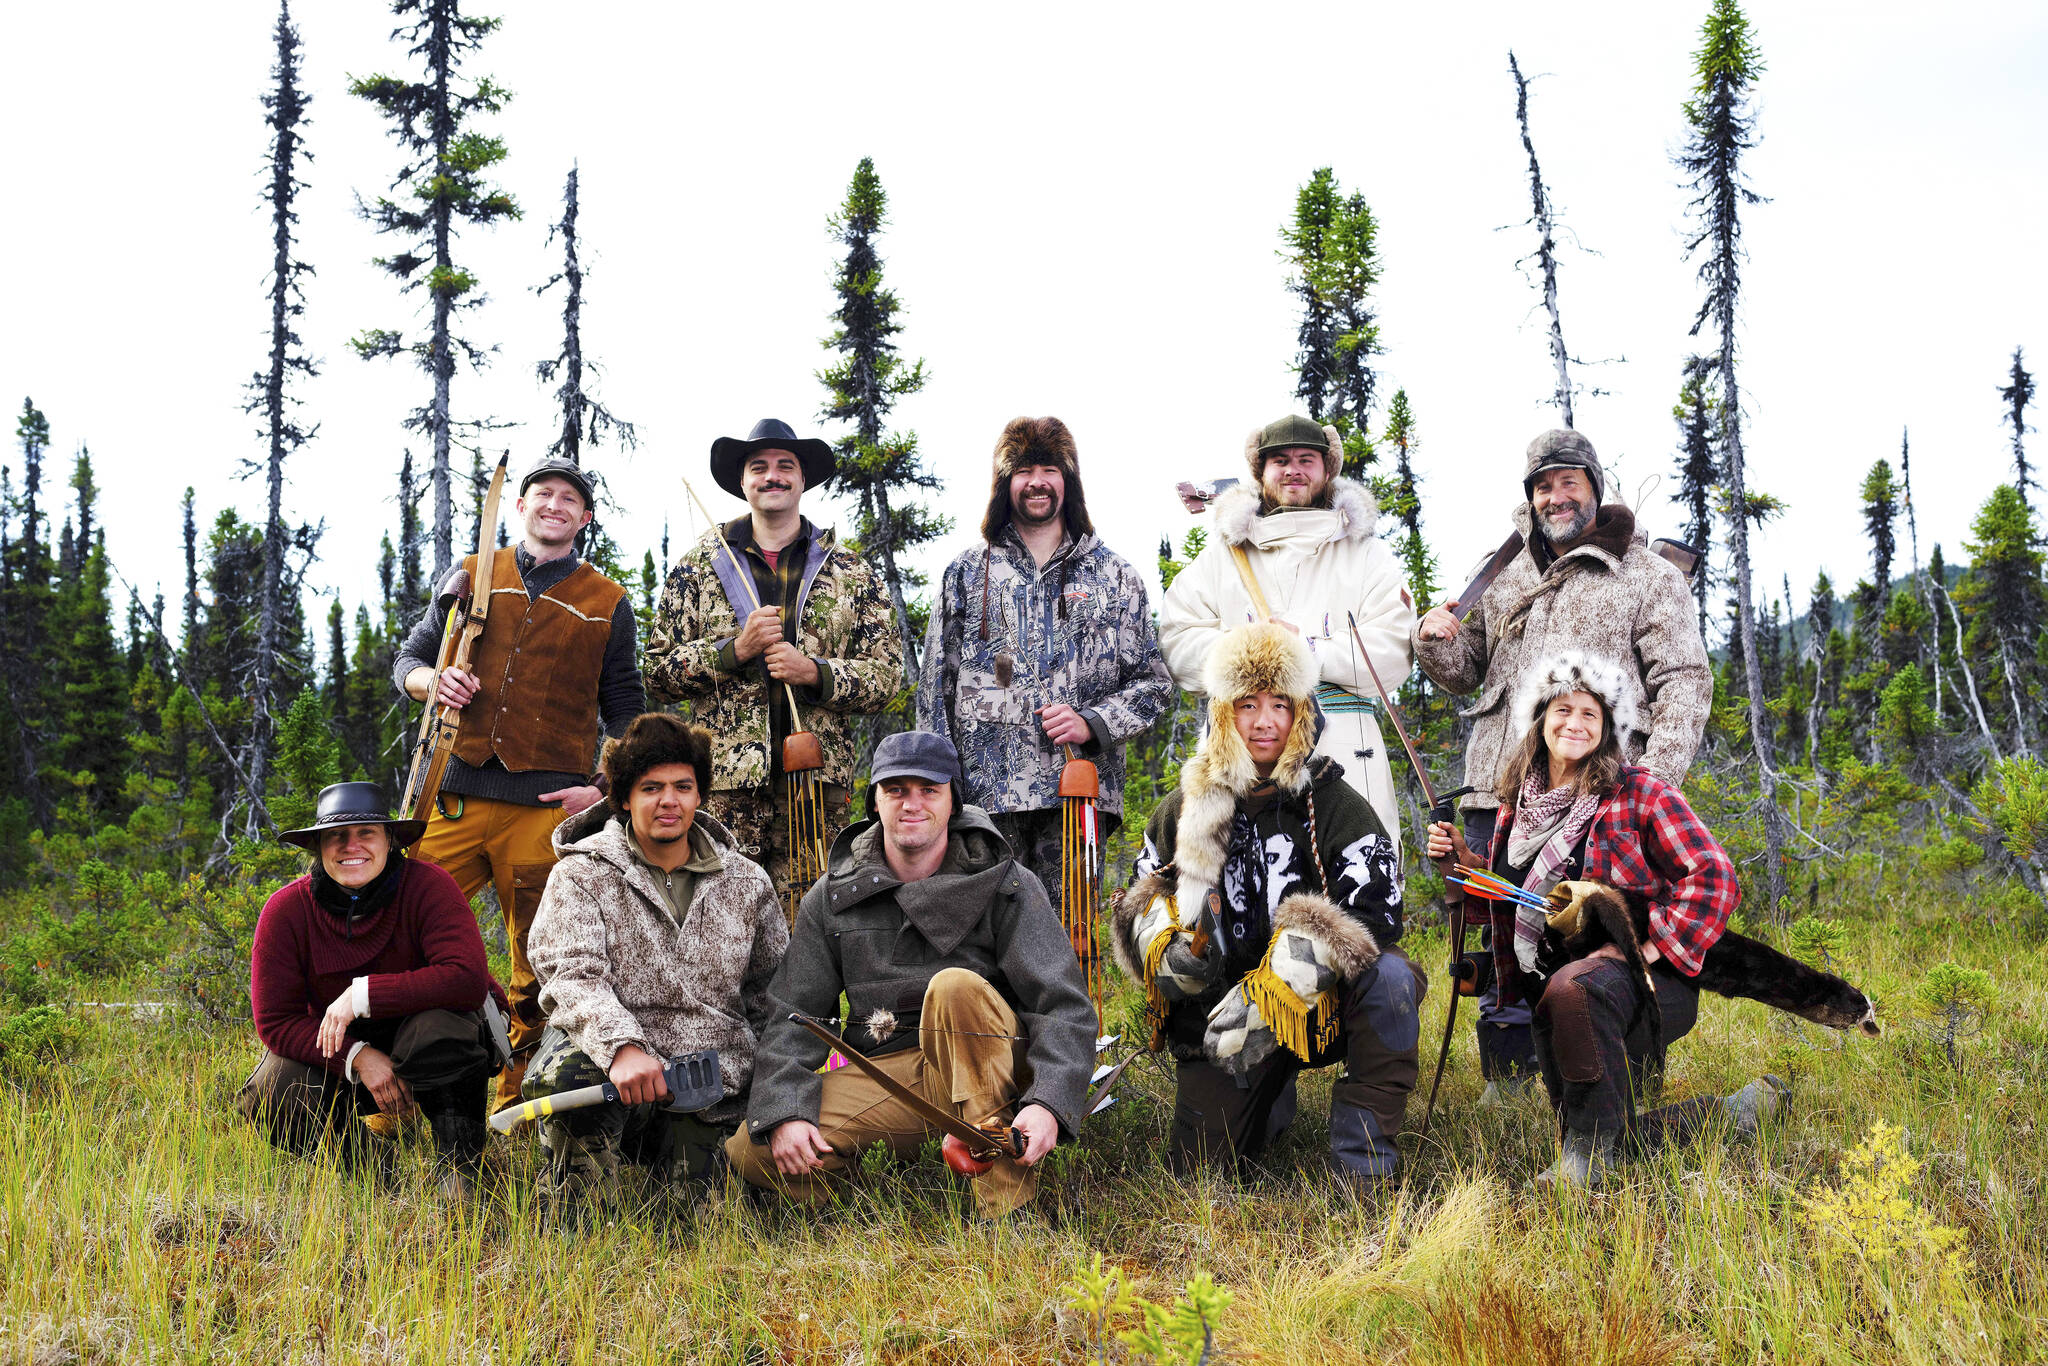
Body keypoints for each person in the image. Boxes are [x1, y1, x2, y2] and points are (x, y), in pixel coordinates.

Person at [1412, 429, 1711, 1098]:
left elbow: (1685, 681)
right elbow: (1466, 672)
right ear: (1530, 495)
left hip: (1598, 795)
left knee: (1582, 932)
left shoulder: (1645, 575)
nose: (1556, 495)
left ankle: (1590, 1074)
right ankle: (1507, 1082)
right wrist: (1434, 643)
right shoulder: (1503, 570)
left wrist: (1651, 786)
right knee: (1497, 941)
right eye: (1543, 485)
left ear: (1594, 488)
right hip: (1500, 788)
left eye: (1569, 482)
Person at [1424, 651, 1787, 1187]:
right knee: (1605, 1119)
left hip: (1650, 985)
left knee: (1579, 994)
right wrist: (1464, 867)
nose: (1574, 723)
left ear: (1608, 728)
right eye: (1562, 710)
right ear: (1539, 720)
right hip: (1555, 997)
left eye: (1589, 714)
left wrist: (1647, 945)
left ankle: (1583, 1167)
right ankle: (1734, 1115)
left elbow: (1713, 879)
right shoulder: (1514, 809)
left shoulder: (1639, 792)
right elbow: (1509, 907)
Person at [730, 731, 1098, 1218]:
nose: (912, 804)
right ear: (875, 800)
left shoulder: (1006, 883)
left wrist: (1048, 1104)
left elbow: (1064, 1008)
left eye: (929, 790)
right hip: (898, 1077)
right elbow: (791, 1017)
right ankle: (897, 1198)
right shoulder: (833, 896)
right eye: (896, 789)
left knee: (954, 987)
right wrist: (783, 1113)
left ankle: (1007, 1210)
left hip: (1001, 1070)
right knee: (749, 1149)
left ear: (952, 802)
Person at [1114, 622, 1420, 1183]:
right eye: (1247, 704)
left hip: (1320, 1006)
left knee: (1393, 980)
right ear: (1222, 714)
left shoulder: (1334, 802)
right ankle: (1268, 1095)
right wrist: (1169, 953)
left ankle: (1363, 1167)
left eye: (1281, 704)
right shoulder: (1181, 808)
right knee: (1201, 1172)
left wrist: (1273, 991)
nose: (1264, 721)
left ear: (1302, 715)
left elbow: (1377, 912)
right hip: (1219, 1013)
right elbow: (1138, 900)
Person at [394, 457, 646, 1111]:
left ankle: (515, 1101)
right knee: (402, 930)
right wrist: (434, 682)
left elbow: (626, 709)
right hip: (451, 797)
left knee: (539, 962)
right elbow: (410, 661)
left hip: (545, 808)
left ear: (584, 519)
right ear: (520, 506)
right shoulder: (474, 573)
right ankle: (397, 1094)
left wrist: (605, 789)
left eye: (569, 498)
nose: (554, 504)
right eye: (542, 494)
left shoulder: (607, 601)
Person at [916, 415, 1173, 932]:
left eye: (1049, 468)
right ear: (1004, 484)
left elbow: (1154, 684)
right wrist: (937, 789)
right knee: (985, 945)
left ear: (1068, 481)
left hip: (1077, 796)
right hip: (985, 804)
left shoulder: (1116, 576)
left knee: (1068, 947)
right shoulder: (966, 573)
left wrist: (1092, 723)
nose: (1036, 480)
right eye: (1023, 469)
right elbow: (933, 693)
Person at [521, 713, 788, 1202]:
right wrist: (622, 1047)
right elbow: (573, 976)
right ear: (623, 799)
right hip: (613, 1072)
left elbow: (771, 998)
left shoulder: (747, 882)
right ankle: (577, 1216)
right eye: (651, 788)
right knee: (569, 1078)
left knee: (705, 1223)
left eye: (683, 786)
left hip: (711, 1085)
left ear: (700, 795)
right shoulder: (582, 875)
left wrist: (776, 1095)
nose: (669, 801)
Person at [644, 418, 904, 915]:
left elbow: (887, 677)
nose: (773, 476)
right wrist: (732, 652)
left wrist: (815, 672)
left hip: (815, 784)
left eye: (786, 466)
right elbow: (656, 672)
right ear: (742, 482)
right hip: (724, 783)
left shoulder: (849, 571)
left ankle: (808, 999)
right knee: (721, 920)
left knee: (810, 923)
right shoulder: (699, 566)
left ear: (803, 480)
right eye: (758, 467)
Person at [1158, 415, 1414, 845]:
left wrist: (1308, 652)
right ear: (1261, 471)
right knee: (1232, 882)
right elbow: (1178, 641)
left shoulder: (1368, 557)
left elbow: (1392, 653)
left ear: (1327, 469)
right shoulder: (1222, 557)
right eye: (1280, 460)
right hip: (1241, 749)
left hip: (1344, 743)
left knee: (1354, 878)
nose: (1293, 469)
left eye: (1306, 459)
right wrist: (1247, 651)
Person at [237, 782, 503, 1195]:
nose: (350, 846)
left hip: (439, 1038)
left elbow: (466, 979)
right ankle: (373, 1170)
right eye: (336, 835)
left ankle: (461, 1165)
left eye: (366, 833)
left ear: (391, 840)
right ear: (319, 847)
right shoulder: (287, 910)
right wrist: (358, 1057)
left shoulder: (429, 886)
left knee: (437, 1032)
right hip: (352, 1053)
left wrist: (364, 994)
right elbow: (275, 1021)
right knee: (271, 1090)